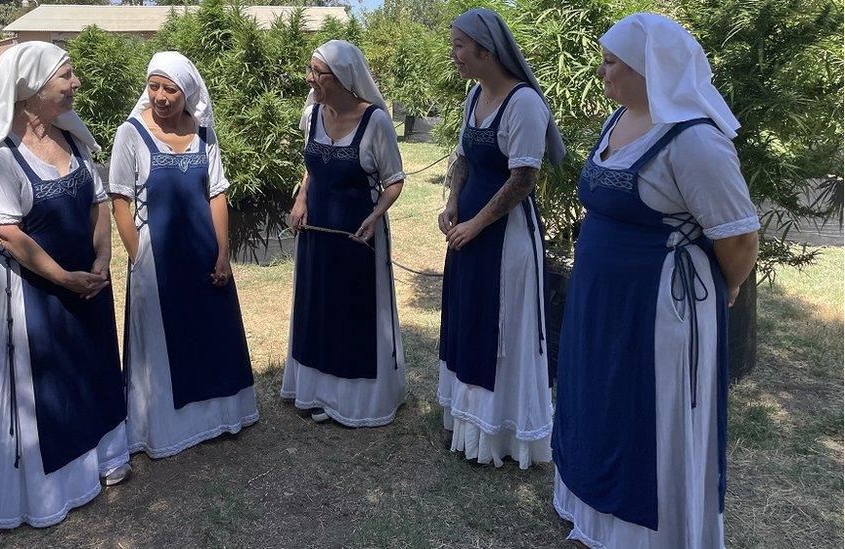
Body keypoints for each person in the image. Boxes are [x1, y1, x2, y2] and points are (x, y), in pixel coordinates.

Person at [551, 13, 760, 548]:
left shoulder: (694, 140)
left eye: (611, 63)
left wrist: (729, 287)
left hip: (660, 310)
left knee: (647, 416)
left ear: (649, 67)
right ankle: (599, 520)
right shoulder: (618, 122)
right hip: (603, 303)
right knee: (602, 405)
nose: (602, 73)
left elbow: (737, 237)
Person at [0, 41, 129, 529]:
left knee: (93, 367)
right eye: (66, 76)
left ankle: (100, 460)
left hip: (88, 282)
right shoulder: (2, 158)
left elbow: (99, 202)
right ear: (32, 90)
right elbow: (7, 234)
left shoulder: (73, 141)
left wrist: (100, 258)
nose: (75, 84)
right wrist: (63, 277)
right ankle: (56, 486)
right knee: (50, 382)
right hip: (35, 292)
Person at [107, 52, 258, 459]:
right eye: (154, 86)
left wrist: (223, 251)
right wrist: (138, 254)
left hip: (203, 250)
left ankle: (215, 419)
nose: (160, 96)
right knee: (163, 342)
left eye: (170, 89)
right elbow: (119, 198)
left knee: (210, 333)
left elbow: (217, 192)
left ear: (187, 92)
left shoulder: (203, 133)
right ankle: (168, 429)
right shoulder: (132, 133)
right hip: (158, 257)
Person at [437, 8, 565, 467]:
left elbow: (523, 179)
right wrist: (453, 204)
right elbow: (465, 159)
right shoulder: (474, 98)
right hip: (468, 231)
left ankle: (499, 431)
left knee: (501, 325)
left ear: (485, 50)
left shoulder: (524, 103)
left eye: (458, 46)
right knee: (469, 314)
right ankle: (464, 418)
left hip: (505, 237)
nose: (453, 55)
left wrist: (477, 223)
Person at [281, 40, 406, 427]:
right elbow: (312, 166)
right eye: (311, 69)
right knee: (317, 304)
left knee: (351, 311)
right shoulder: (314, 113)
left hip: (358, 236)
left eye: (318, 72)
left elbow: (394, 181)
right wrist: (301, 199)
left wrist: (375, 216)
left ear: (344, 78)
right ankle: (314, 390)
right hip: (318, 233)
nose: (310, 78)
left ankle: (353, 401)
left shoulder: (375, 122)